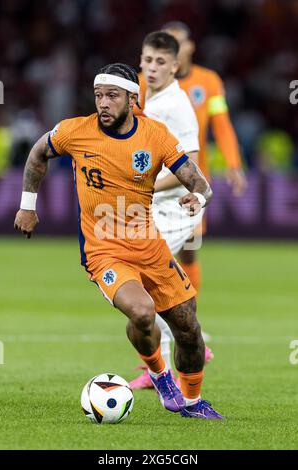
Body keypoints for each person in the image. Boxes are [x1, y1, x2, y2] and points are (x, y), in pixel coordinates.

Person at [14, 63, 223, 419]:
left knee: (189, 329)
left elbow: (199, 182)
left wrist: (198, 198)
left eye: (112, 96)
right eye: (99, 96)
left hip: (150, 247)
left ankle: (191, 403)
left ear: (132, 99)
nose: (103, 104)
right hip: (103, 251)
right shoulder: (74, 131)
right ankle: (160, 377)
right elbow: (37, 153)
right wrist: (27, 206)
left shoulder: (155, 135)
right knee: (142, 312)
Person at [130, 31, 213, 390]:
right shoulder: (154, 99)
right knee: (145, 288)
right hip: (156, 210)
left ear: (175, 67)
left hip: (176, 211)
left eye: (160, 62)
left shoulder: (175, 107)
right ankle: (159, 368)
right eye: (148, 60)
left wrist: (143, 185)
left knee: (145, 289)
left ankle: (193, 340)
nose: (152, 67)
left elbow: (191, 166)